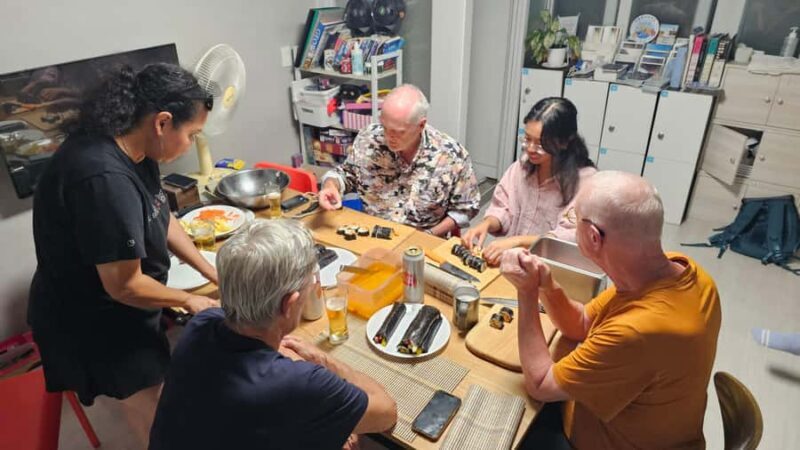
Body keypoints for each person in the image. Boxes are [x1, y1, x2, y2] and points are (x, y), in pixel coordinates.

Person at [28, 63, 220, 446]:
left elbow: (160, 216)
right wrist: (189, 299)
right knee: (157, 419)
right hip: (90, 318)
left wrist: (211, 271)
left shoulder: (136, 144)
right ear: (163, 122)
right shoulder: (103, 179)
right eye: (193, 134)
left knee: (167, 394)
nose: (192, 143)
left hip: (122, 301)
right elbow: (124, 285)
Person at [500, 171, 722, 449]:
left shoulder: (638, 331)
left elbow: (540, 384)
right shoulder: (685, 271)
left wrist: (527, 293)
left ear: (593, 237)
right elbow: (581, 323)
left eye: (573, 219)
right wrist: (547, 285)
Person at [148, 219, 397, 450]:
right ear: (289, 304)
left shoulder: (202, 323)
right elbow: (386, 413)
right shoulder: (302, 383)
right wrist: (327, 362)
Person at [318, 84, 480, 236]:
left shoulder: (450, 156)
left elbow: (465, 209)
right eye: (384, 127)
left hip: (422, 242)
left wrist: (429, 236)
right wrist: (330, 185)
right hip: (373, 235)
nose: (388, 137)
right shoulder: (368, 138)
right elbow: (346, 174)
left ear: (421, 125)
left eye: (398, 132)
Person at [462, 97, 595, 266]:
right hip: (513, 265)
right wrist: (486, 224)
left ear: (564, 142)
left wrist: (518, 241)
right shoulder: (522, 167)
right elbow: (503, 208)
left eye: (540, 143)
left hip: (551, 271)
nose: (531, 149)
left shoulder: (586, 183)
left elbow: (568, 238)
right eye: (527, 139)